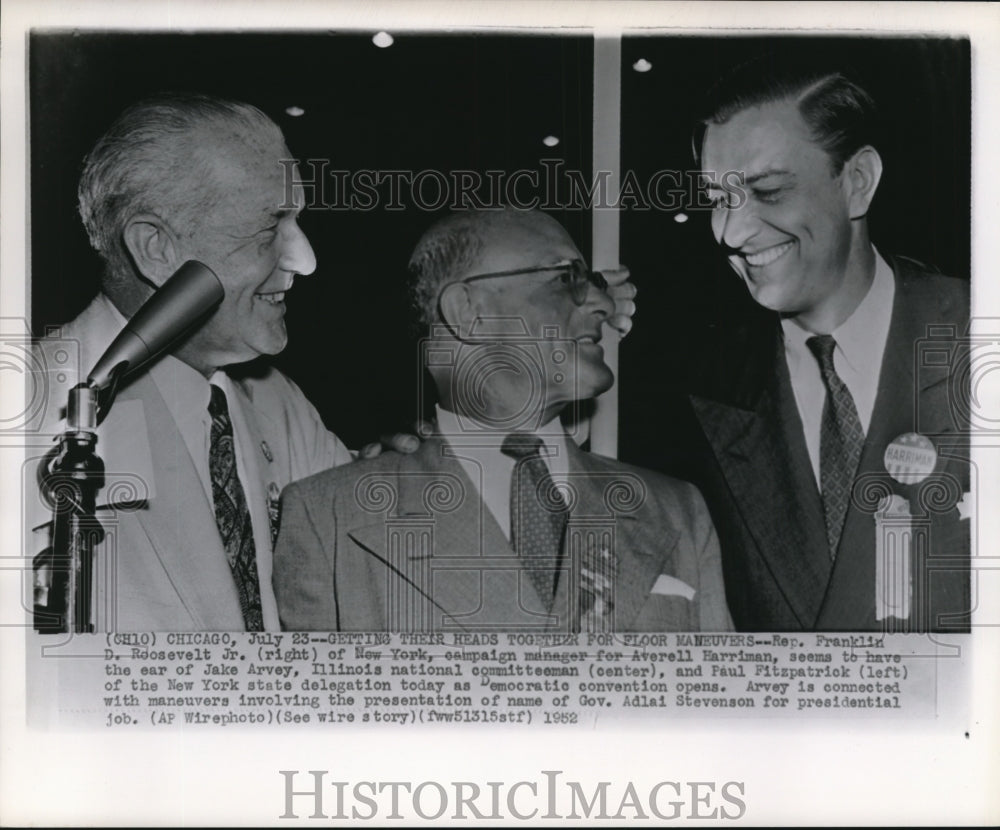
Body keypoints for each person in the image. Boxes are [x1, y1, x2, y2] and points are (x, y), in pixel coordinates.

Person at [29, 93, 637, 632]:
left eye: (299, 220)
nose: (306, 259)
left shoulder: (273, 402)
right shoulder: (27, 418)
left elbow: (361, 547)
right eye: (271, 227)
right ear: (155, 248)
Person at [273, 208, 732, 633]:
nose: (603, 304)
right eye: (566, 278)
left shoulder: (678, 511)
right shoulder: (328, 516)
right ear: (469, 313)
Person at [675, 55, 970, 631]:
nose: (732, 233)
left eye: (768, 191)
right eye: (717, 198)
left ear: (856, 182)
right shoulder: (703, 397)